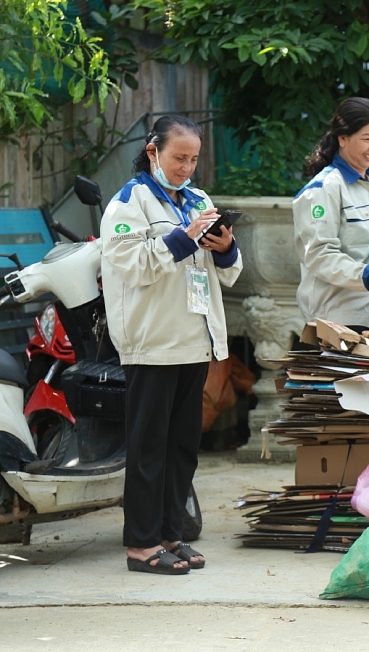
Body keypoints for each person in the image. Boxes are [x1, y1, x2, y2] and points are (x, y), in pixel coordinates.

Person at [101, 115, 243, 575]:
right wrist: (184, 236)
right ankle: (140, 547)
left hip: (194, 342)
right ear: (153, 151)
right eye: (179, 157)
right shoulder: (129, 202)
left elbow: (227, 270)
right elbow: (131, 266)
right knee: (147, 449)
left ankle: (170, 535)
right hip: (153, 343)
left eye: (193, 158)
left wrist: (223, 246)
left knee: (182, 448)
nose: (186, 166)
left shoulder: (198, 199)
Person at [293, 97, 369, 333]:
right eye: (366, 139)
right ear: (343, 139)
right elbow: (319, 254)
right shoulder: (323, 189)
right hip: (335, 320)